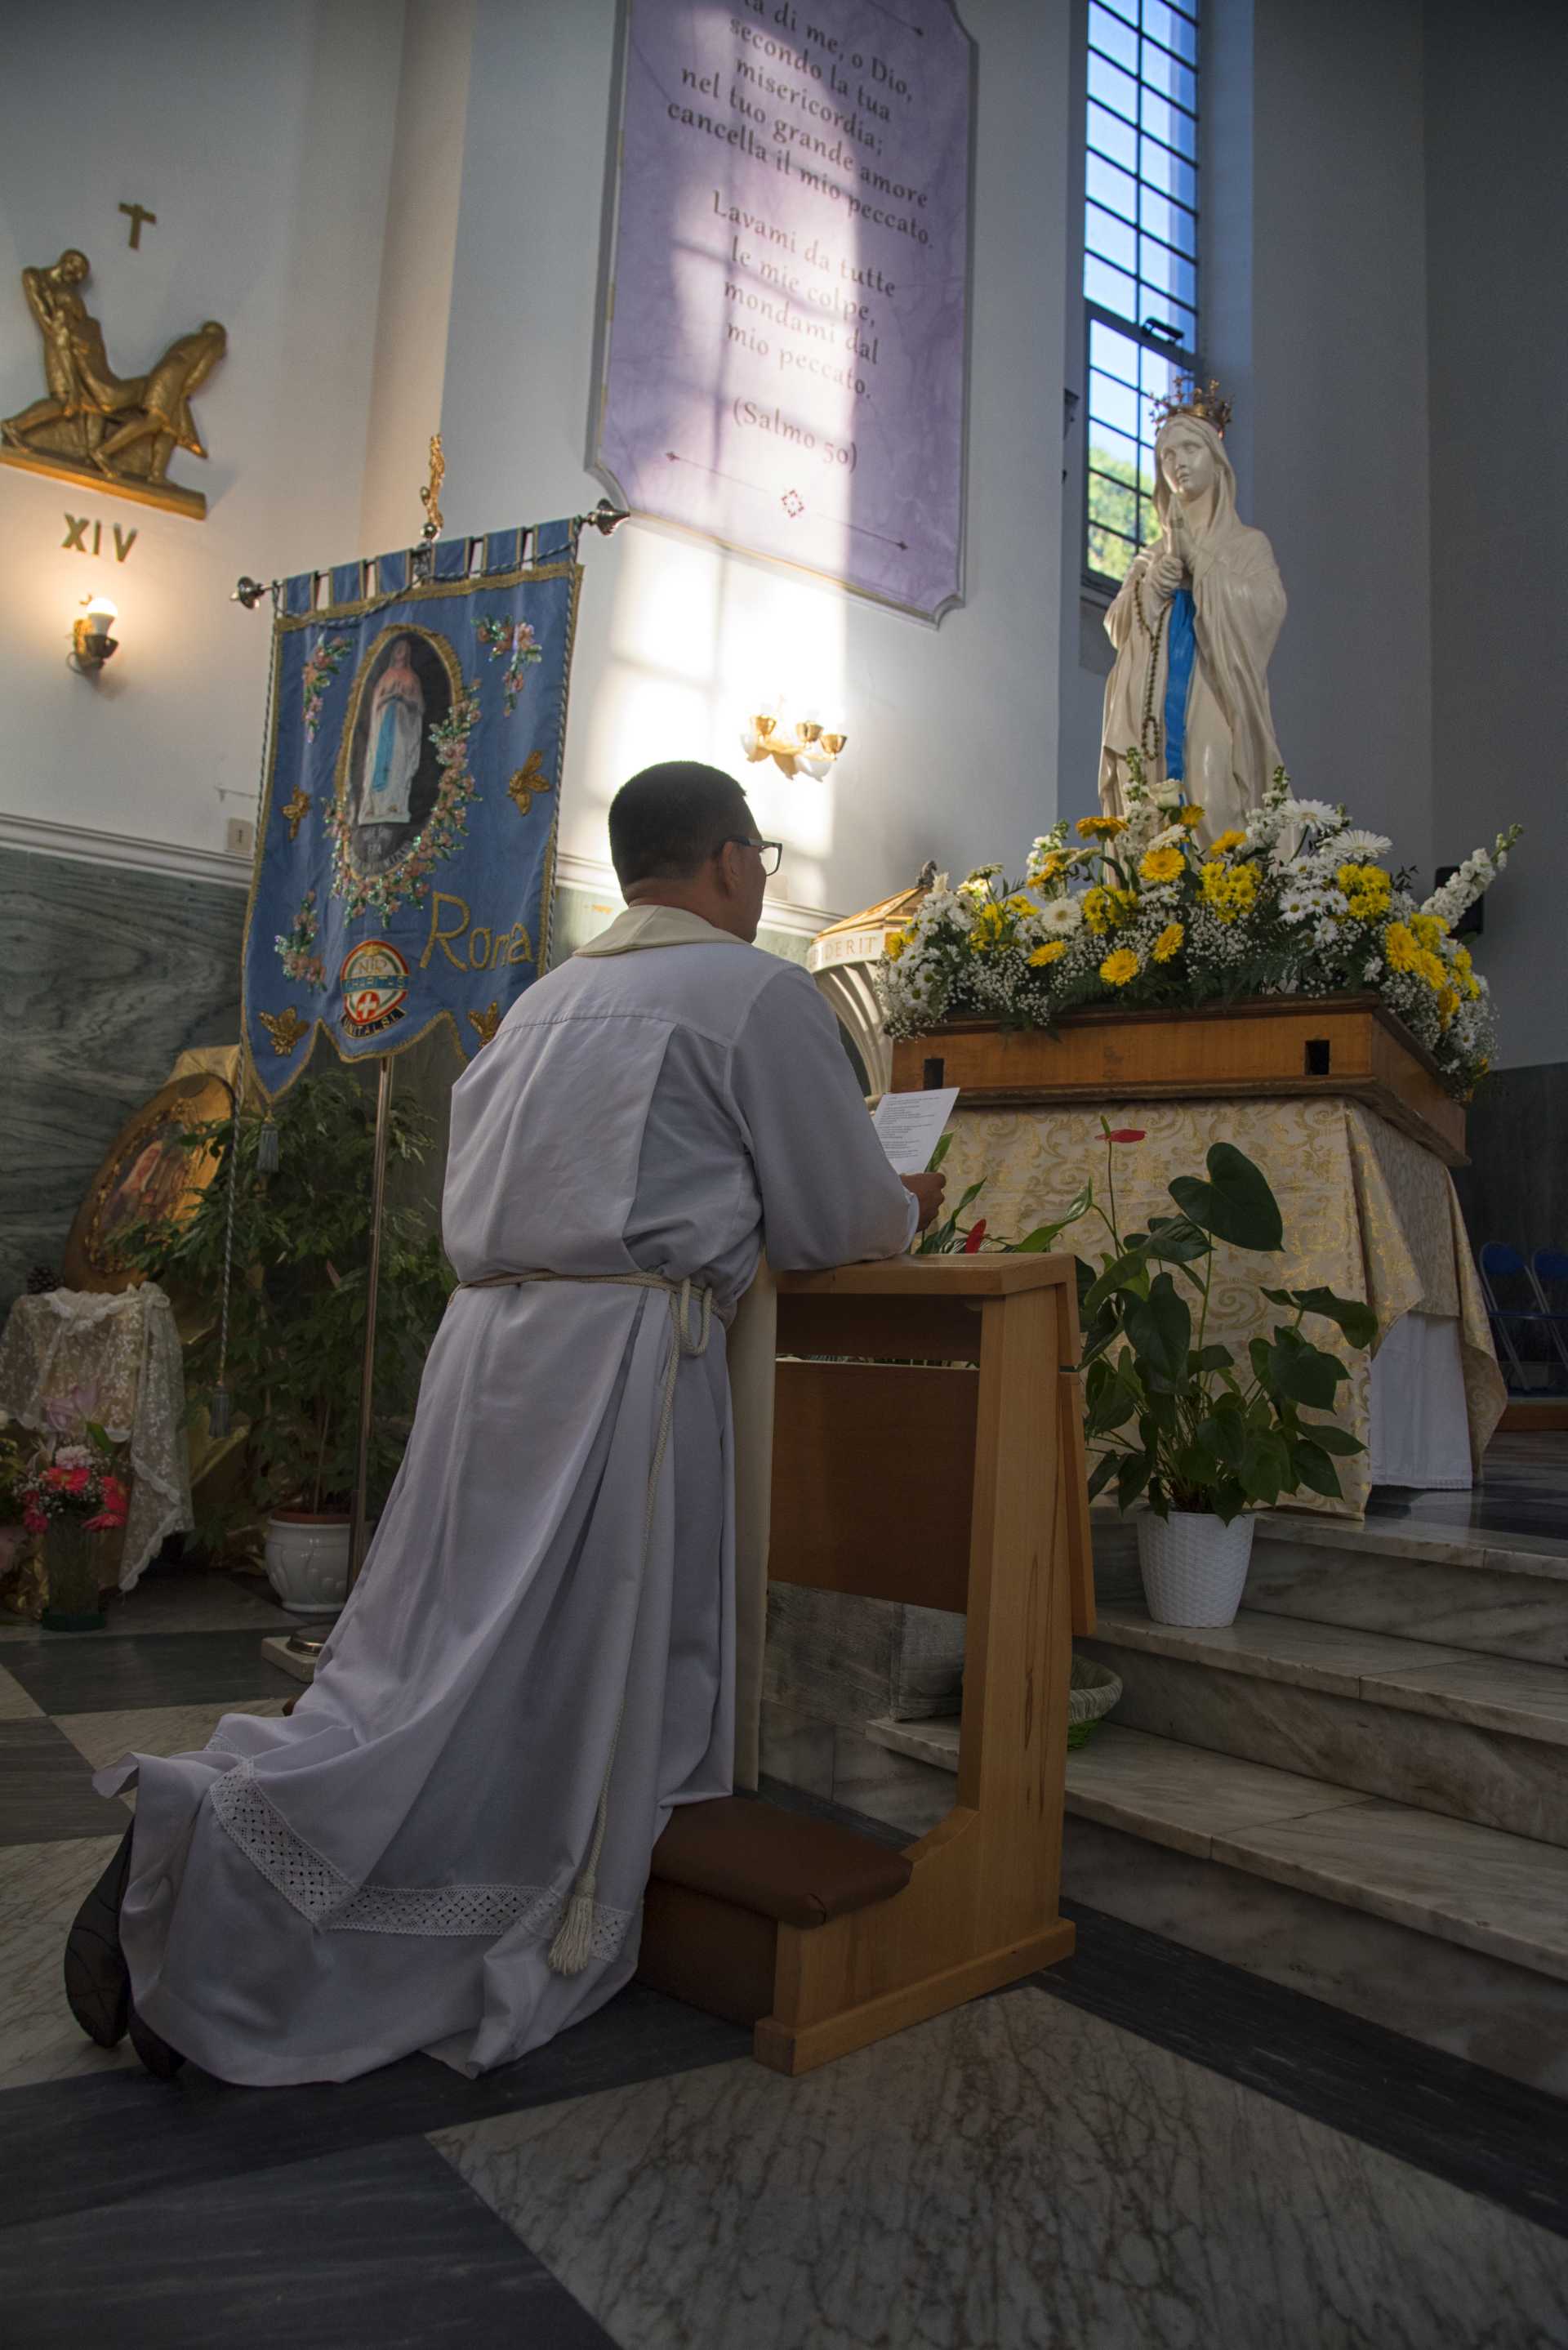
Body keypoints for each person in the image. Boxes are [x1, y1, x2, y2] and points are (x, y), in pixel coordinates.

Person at [65, 761, 944, 2084]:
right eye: (756, 856)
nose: (762, 880)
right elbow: (834, 1216)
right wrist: (912, 1194)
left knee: (432, 1650)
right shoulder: (753, 989)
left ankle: (232, 1827)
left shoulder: (541, 1000)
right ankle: (238, 1849)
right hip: (619, 1363)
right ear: (719, 861)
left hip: (489, 1355)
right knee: (543, 1675)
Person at [1098, 403, 1285, 845]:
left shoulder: (1246, 546)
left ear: (1216, 462)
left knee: (1213, 793)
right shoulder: (1149, 556)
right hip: (1150, 708)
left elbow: (1267, 610)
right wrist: (1148, 591)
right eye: (1166, 455)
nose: (1177, 463)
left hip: (1212, 690)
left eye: (1189, 449)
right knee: (1147, 809)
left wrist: (1200, 567)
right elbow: (1116, 627)